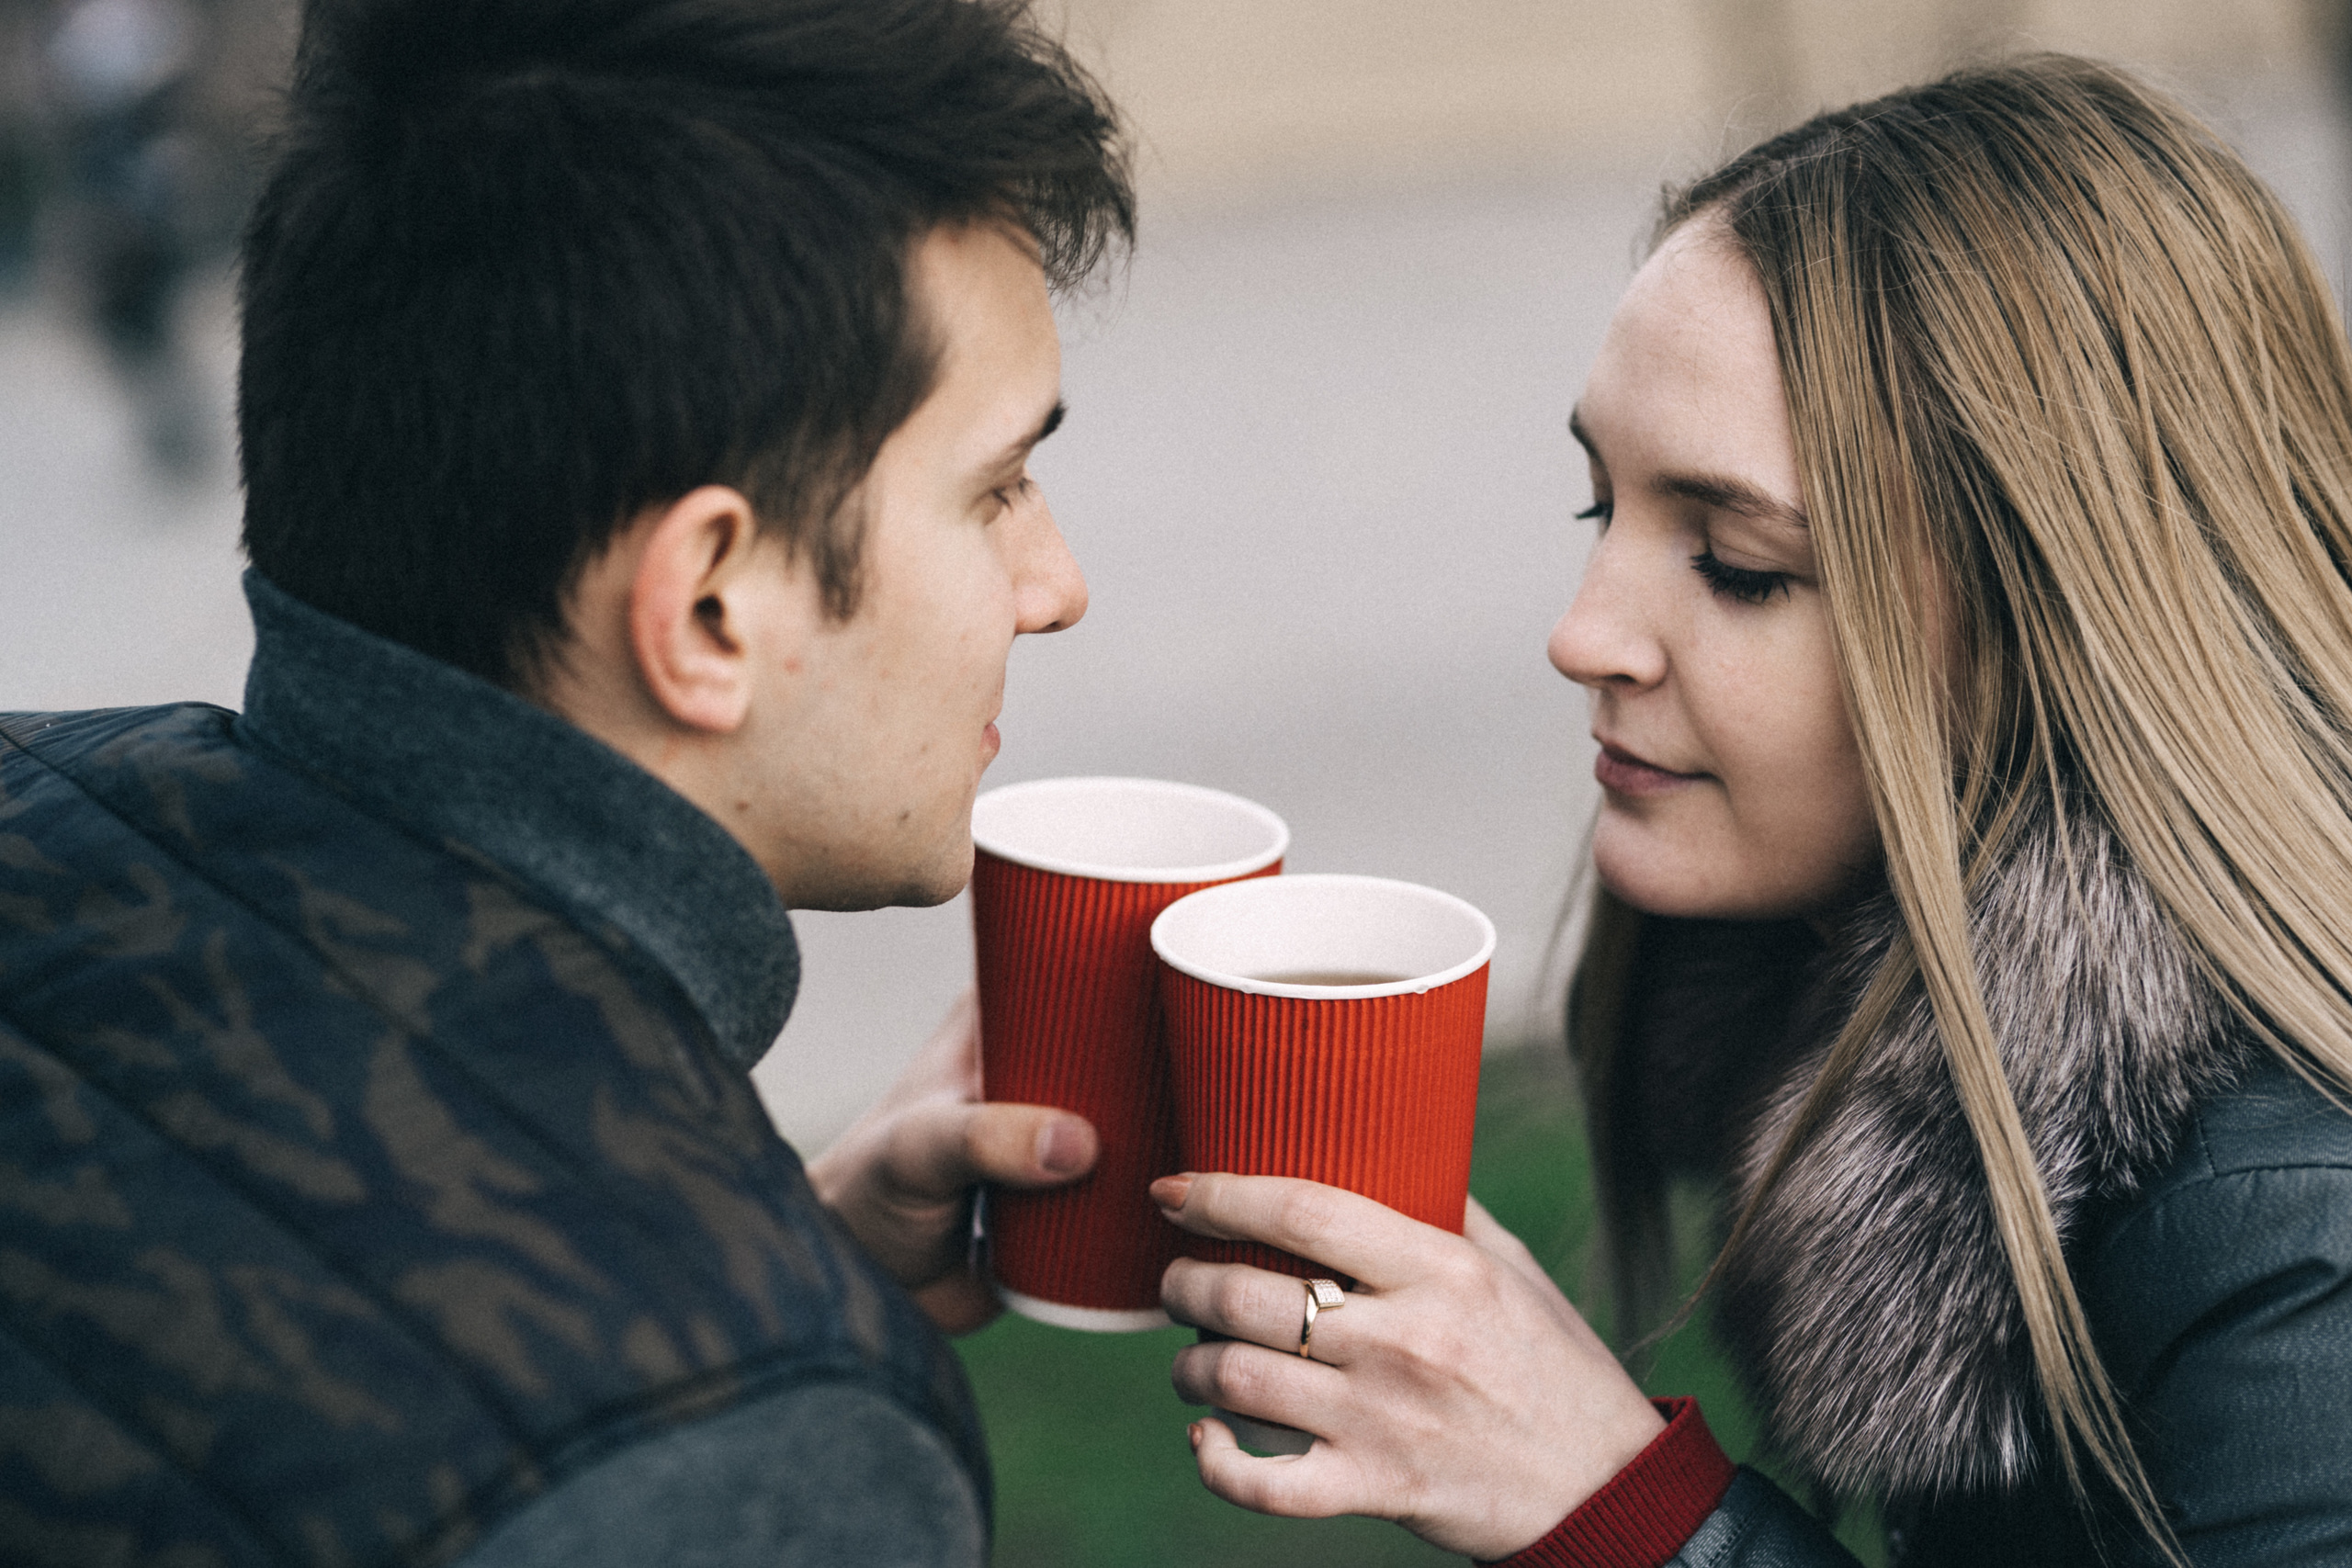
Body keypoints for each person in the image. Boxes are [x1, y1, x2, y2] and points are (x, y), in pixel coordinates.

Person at [1148, 55, 2352, 1568]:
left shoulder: (2296, 1224)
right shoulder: (1968, 1063)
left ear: (2063, 630)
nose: (1584, 633)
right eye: (1605, 508)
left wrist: (1630, 1518)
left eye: (1736, 563)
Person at [0, 0, 1130, 1562]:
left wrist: (744, 1271)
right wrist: (747, 1380)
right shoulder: (766, 1454)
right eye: (997, 486)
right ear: (709, 608)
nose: (1054, 581)